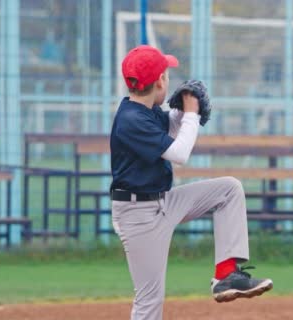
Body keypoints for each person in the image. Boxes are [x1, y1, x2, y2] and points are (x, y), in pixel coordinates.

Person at [110, 45, 272, 320]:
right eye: (167, 73)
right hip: (138, 216)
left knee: (228, 190)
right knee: (149, 301)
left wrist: (182, 108)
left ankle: (226, 275)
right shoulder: (131, 119)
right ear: (160, 80)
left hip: (163, 201)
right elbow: (179, 153)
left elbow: (170, 127)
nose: (169, 79)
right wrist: (193, 112)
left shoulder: (146, 112)